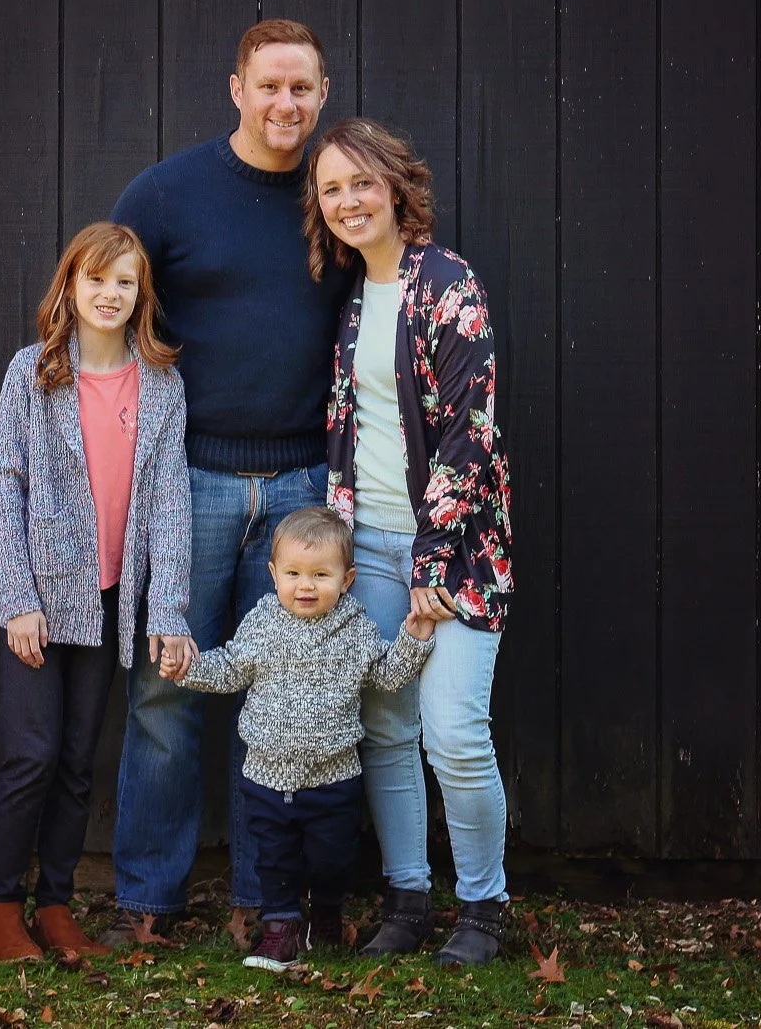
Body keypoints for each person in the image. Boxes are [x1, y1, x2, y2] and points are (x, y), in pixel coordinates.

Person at [104, 20, 355, 942]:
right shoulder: (168, 192)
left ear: (323, 94)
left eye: (303, 88)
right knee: (167, 692)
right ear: (236, 89)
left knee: (285, 699)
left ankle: (269, 901)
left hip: (302, 488)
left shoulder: (337, 193)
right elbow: (107, 303)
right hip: (190, 483)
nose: (285, 104)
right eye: (269, 86)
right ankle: (149, 903)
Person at [305, 118, 516, 966]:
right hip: (373, 543)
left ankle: (484, 907)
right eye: (331, 190)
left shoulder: (447, 283)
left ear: (395, 186)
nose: (349, 201)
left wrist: (434, 557)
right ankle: (407, 897)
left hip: (456, 553)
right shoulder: (356, 296)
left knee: (454, 730)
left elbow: (472, 429)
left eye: (361, 183)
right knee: (386, 726)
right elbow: (350, 429)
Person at [0, 221, 193, 962]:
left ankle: (56, 906)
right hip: (40, 602)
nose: (110, 292)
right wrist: (17, 596)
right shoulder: (32, 374)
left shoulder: (161, 387)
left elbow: (169, 503)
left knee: (76, 761)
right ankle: (1, 908)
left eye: (125, 281)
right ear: (71, 284)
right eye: (96, 278)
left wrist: (165, 609)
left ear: (141, 295)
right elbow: (2, 483)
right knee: (31, 754)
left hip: (109, 603)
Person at [159, 506, 437, 971]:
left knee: (332, 858)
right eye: (293, 573)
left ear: (347, 579)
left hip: (333, 779)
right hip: (267, 776)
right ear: (273, 574)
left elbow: (388, 677)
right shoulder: (263, 623)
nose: (305, 586)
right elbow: (230, 669)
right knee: (275, 860)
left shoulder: (355, 629)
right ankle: (280, 931)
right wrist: (188, 669)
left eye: (320, 575)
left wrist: (413, 639)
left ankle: (326, 911)